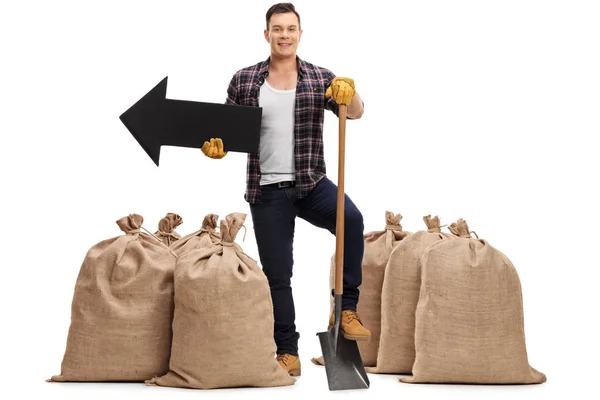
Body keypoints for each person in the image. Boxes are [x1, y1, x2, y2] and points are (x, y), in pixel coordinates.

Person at [201, 3, 370, 377]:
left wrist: (350, 91)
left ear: (300, 33)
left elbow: (355, 112)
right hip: (267, 190)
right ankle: (287, 351)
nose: (284, 35)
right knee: (278, 275)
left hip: (312, 183)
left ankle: (346, 309)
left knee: (352, 220)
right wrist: (216, 147)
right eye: (277, 29)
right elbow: (224, 132)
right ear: (266, 34)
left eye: (291, 29)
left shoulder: (319, 76)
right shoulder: (244, 80)